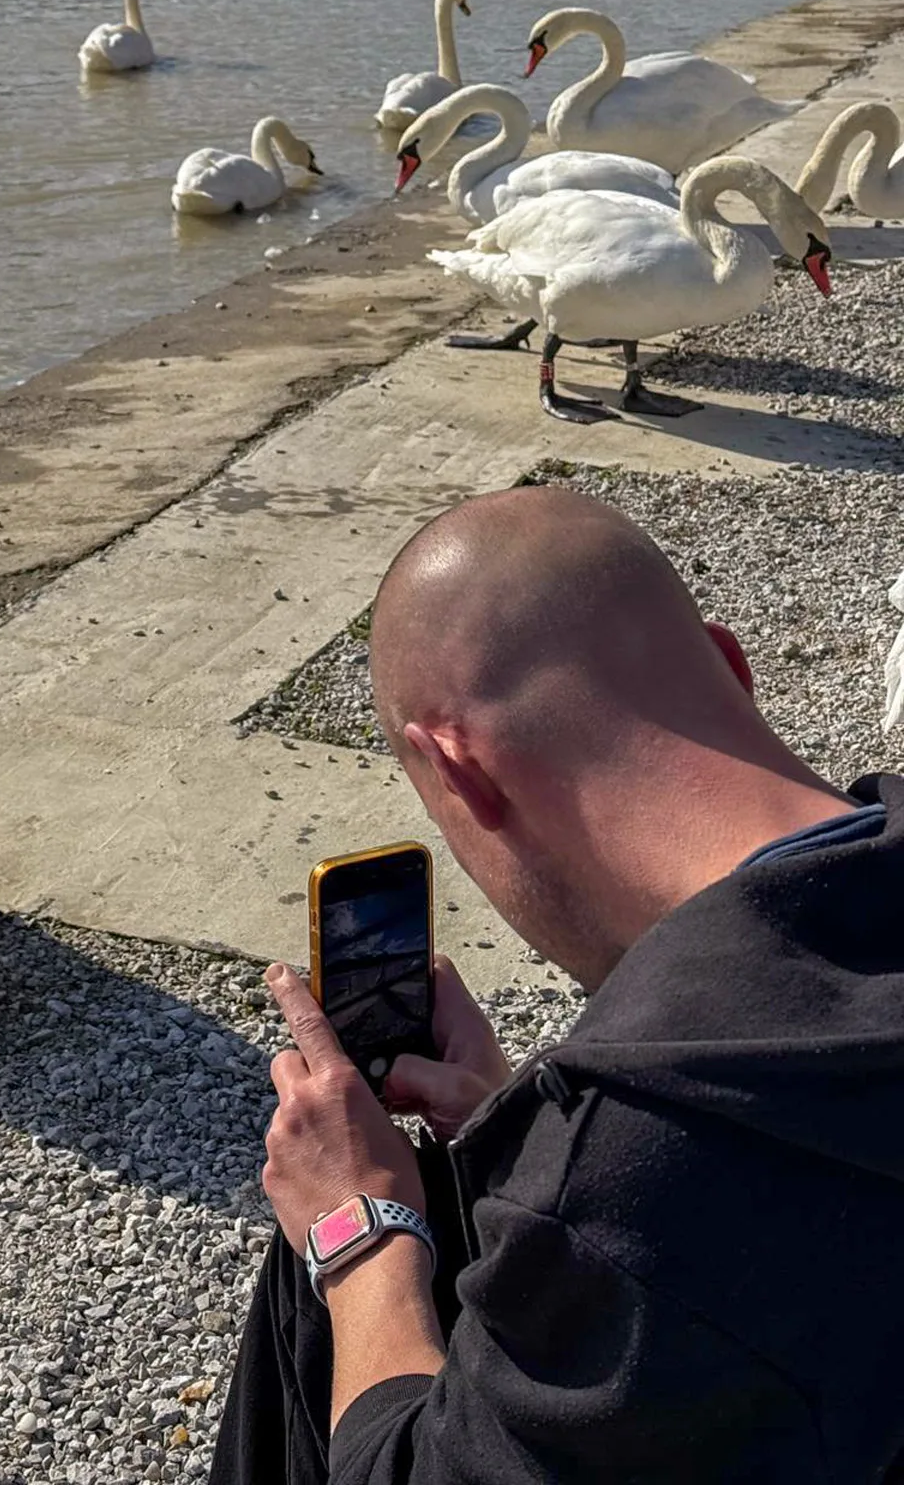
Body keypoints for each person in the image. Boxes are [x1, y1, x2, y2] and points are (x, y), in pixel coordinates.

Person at [209, 484, 904, 1484]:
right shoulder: (674, 1126)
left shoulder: (644, 1168)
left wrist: (357, 1231)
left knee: (319, 1272)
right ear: (731, 668)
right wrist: (523, 1130)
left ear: (460, 773)